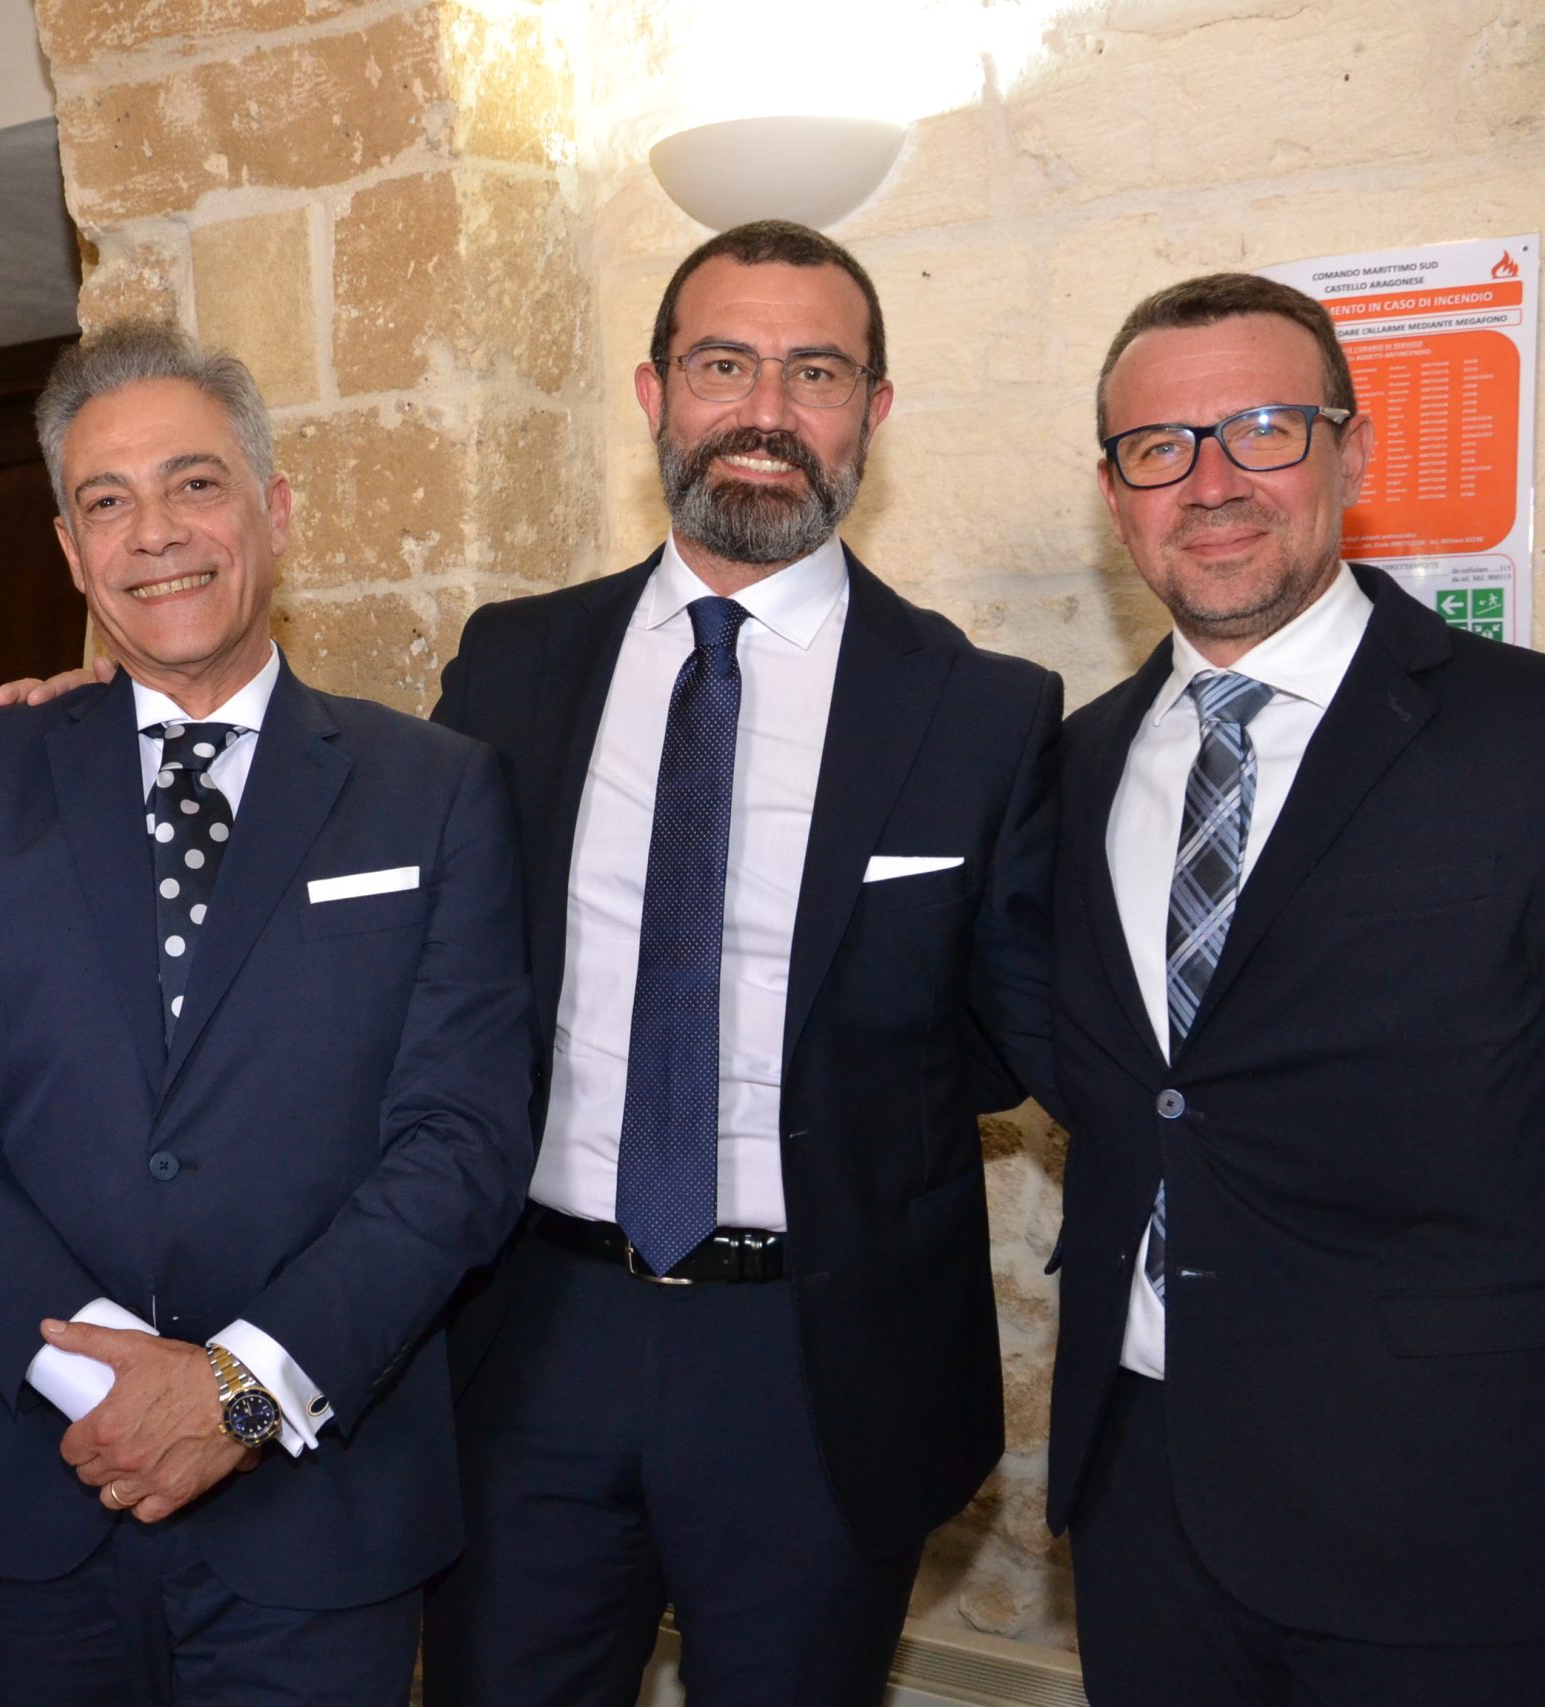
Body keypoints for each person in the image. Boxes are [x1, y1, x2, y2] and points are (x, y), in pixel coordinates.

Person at [1046, 271, 1545, 1705]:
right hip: (1143, 1517)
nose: (1212, 483)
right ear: (1116, 495)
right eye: (1160, 448)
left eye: (1264, 430)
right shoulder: (1080, 762)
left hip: (1442, 1531)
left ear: (1353, 453)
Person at [0, 321, 537, 1707]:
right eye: (107, 501)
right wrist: (101, 1378)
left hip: (320, 1497)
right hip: (39, 1477)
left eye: (195, 484)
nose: (155, 533)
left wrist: (238, 1390)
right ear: (69, 549)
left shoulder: (433, 790)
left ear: (275, 511)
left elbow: (462, 1139)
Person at [418, 220, 1057, 1704]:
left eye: (815, 372)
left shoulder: (981, 710)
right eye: (724, 365)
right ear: (655, 393)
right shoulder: (513, 663)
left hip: (817, 1363)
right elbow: (412, 944)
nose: (766, 410)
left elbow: (1000, 1033)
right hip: (531, 1338)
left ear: (871, 414)